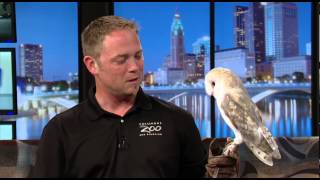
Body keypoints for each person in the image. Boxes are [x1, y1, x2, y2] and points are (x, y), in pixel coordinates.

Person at [31, 15, 238, 178]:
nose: (135, 67)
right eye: (121, 60)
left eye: (138, 56)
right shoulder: (61, 130)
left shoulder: (178, 121)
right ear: (92, 64)